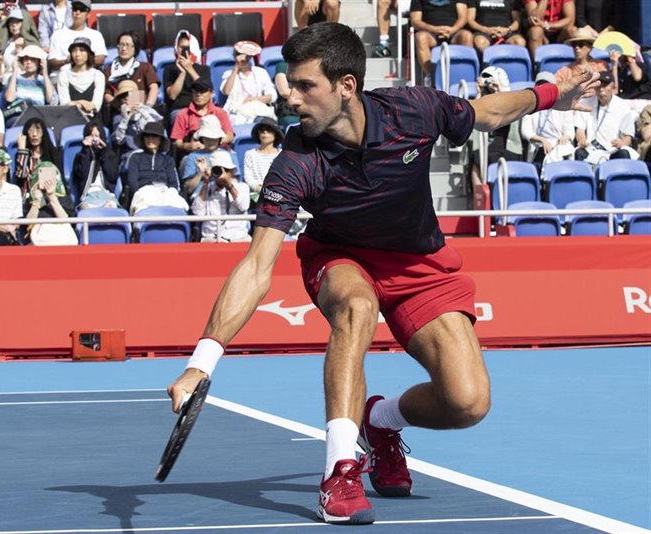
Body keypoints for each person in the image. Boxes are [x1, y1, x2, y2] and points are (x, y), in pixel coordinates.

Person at [165, 22, 598, 526]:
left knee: (467, 402)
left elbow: (489, 113)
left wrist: (551, 93)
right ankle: (340, 473)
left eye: (306, 86)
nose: (292, 98)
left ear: (346, 86)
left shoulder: (413, 111)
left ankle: (380, 420)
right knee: (357, 306)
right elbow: (256, 265)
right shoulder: (296, 162)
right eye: (290, 83)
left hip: (418, 263)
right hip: (340, 258)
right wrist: (202, 361)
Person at [469, 67, 522, 186]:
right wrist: (479, 92)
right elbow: (473, 117)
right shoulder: (482, 99)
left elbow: (507, 112)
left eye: (490, 80)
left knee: (491, 157)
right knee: (476, 156)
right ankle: (482, 197)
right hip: (486, 144)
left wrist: (498, 90)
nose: (489, 85)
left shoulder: (511, 99)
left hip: (507, 144)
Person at [574, 71, 639, 163]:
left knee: (624, 153)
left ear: (613, 87)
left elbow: (628, 136)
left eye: (605, 85)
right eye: (599, 86)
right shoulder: (585, 103)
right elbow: (580, 129)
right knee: (579, 152)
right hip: (591, 148)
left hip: (612, 149)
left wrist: (621, 142)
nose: (601, 89)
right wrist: (582, 140)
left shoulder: (623, 106)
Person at [190, 150, 251, 243]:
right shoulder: (206, 188)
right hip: (211, 239)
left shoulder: (242, 187)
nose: (222, 174)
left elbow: (243, 206)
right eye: (218, 170)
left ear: (231, 171)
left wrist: (229, 186)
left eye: (226, 170)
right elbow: (198, 213)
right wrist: (205, 182)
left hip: (238, 238)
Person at [520, 71, 575, 168]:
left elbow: (570, 132)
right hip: (539, 147)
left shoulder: (564, 106)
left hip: (559, 146)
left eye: (546, 85)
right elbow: (526, 132)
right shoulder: (530, 107)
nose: (543, 88)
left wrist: (565, 137)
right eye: (540, 85)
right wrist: (542, 140)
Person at [125, 121, 183, 213]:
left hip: (165, 193)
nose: (150, 139)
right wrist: (141, 193)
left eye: (154, 136)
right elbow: (132, 182)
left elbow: (173, 183)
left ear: (160, 140)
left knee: (176, 204)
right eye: (147, 136)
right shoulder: (135, 157)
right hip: (144, 193)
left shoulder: (168, 160)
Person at [410, 0, 473, 84]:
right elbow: (415, 21)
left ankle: (465, 75)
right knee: (420, 37)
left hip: (453, 33)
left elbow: (463, 17)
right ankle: (431, 76)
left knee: (466, 36)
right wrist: (434, 29)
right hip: (430, 33)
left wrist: (452, 30)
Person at [178, 115, 238, 200]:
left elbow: (236, 181)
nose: (211, 141)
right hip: (201, 197)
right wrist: (201, 173)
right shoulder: (192, 157)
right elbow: (188, 189)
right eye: (207, 138)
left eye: (214, 138)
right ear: (201, 138)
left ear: (219, 138)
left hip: (226, 195)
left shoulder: (230, 155)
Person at [170, 78, 234, 158]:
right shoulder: (183, 114)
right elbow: (177, 141)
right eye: (196, 91)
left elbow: (229, 136)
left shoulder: (220, 113)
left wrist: (213, 143)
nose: (199, 95)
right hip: (193, 154)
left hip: (218, 152)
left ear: (211, 93)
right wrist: (188, 146)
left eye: (203, 91)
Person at [221, 41, 278, 126]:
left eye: (247, 55)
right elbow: (226, 91)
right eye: (239, 54)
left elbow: (272, 96)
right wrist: (236, 68)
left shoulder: (261, 72)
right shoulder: (228, 74)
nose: (244, 58)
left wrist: (251, 100)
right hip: (235, 112)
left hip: (258, 110)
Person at [0, 7, 41, 90]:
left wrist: (20, 53)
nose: (14, 25)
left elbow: (33, 69)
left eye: (17, 22)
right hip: (6, 80)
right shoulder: (3, 44)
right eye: (11, 22)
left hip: (26, 81)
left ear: (23, 24)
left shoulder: (31, 43)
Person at [47, 0, 106, 78]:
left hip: (88, 76)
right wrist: (66, 61)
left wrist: (81, 61)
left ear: (88, 14)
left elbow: (101, 58)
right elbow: (52, 61)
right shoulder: (58, 34)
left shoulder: (96, 35)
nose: (77, 12)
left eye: (81, 9)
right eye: (75, 9)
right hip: (61, 76)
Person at [103, 31, 160, 111]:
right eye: (121, 45)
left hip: (142, 108)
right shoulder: (109, 70)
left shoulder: (145, 67)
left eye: (128, 45)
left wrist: (148, 106)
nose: (124, 48)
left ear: (135, 48)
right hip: (119, 111)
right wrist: (121, 106)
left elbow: (154, 87)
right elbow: (107, 95)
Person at [162, 30, 210, 119]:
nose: (184, 51)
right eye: (181, 47)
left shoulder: (204, 69)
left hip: (200, 108)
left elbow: (205, 90)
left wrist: (189, 69)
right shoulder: (169, 69)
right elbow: (172, 95)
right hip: (179, 110)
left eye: (187, 48)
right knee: (179, 117)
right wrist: (182, 73)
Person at [72, 120, 122, 205]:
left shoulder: (110, 155)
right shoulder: (80, 156)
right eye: (91, 136)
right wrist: (86, 150)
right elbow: (82, 174)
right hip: (88, 195)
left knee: (111, 209)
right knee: (86, 209)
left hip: (107, 195)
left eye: (96, 136)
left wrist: (103, 152)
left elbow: (112, 176)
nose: (94, 139)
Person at [56, 36, 106, 119]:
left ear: (88, 53)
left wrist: (75, 104)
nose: (77, 54)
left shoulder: (98, 75)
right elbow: (64, 104)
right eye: (74, 51)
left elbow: (95, 105)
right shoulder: (64, 75)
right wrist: (82, 103)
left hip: (93, 120)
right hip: (70, 119)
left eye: (82, 50)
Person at [2, 45, 54, 122]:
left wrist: (45, 74)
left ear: (39, 62)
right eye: (26, 59)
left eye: (33, 59)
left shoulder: (43, 80)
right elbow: (9, 98)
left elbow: (50, 99)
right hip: (18, 117)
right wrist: (15, 72)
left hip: (38, 116)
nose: (28, 62)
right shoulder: (15, 78)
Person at [111, 79, 163, 153]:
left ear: (136, 97)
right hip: (131, 154)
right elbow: (119, 141)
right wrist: (126, 118)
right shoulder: (118, 119)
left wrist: (142, 111)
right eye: (123, 95)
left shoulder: (149, 113)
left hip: (151, 152)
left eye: (130, 94)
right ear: (120, 100)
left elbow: (157, 131)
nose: (127, 98)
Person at [13, 117, 61, 192]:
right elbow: (21, 176)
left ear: (43, 133)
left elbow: (58, 178)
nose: (34, 134)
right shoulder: (21, 155)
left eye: (38, 130)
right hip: (28, 195)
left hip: (49, 194)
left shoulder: (53, 153)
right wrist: (22, 151)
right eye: (31, 130)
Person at [242, 117, 283, 196]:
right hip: (257, 195)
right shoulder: (250, 154)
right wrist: (261, 190)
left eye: (269, 129)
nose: (265, 132)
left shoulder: (282, 154)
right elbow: (249, 179)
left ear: (275, 133)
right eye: (261, 130)